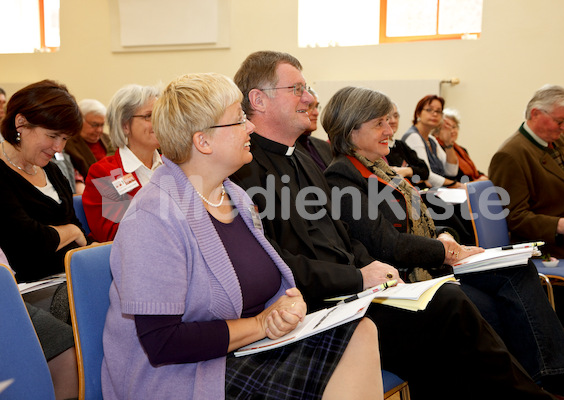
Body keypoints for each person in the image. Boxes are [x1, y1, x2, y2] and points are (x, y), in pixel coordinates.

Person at [231, 50, 556, 400]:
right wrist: (359, 277)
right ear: (259, 100)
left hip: (352, 292)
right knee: (447, 307)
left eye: (306, 88)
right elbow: (276, 262)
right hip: (315, 309)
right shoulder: (243, 172)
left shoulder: (307, 162)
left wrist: (370, 266)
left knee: (445, 319)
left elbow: (340, 235)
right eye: (297, 89)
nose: (310, 98)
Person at [101, 72, 383, 400]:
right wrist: (262, 325)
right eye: (238, 121)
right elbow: (163, 343)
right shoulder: (153, 216)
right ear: (202, 141)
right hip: (187, 375)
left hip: (246, 351)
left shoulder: (234, 196)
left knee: (362, 331)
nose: (250, 127)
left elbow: (266, 284)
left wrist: (286, 304)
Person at [322, 85, 564, 399]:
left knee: (518, 271)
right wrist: (446, 250)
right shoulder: (343, 177)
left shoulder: (379, 168)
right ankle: (531, 389)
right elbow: (388, 245)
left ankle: (553, 376)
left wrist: (446, 237)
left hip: (427, 265)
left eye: (388, 121)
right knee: (485, 306)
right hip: (404, 279)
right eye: (379, 123)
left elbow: (425, 222)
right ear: (352, 130)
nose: (389, 129)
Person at [489, 84, 564, 261]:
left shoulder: (559, 141)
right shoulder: (510, 155)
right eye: (560, 121)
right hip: (555, 243)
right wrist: (559, 225)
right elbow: (515, 217)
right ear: (536, 114)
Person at [0, 79, 89, 283]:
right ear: (20, 123)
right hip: (30, 289)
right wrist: (72, 231)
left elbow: (77, 231)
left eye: (65, 138)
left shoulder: (52, 170)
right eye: (52, 136)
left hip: (69, 277)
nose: (59, 147)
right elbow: (28, 243)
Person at [82, 84, 162, 242]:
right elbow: (115, 234)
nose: (159, 123)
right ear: (125, 125)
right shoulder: (104, 172)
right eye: (148, 116)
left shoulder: (174, 165)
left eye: (161, 116)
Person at [0, 246, 78, 400]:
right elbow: (37, 241)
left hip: (8, 299)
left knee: (68, 346)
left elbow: (7, 278)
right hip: (20, 290)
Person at [401, 94, 462, 188]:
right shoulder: (413, 137)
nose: (434, 114)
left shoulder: (432, 140)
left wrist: (449, 144)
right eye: (429, 110)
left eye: (438, 111)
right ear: (418, 113)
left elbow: (451, 171)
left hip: (438, 191)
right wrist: (456, 185)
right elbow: (426, 174)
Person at [64, 98, 115, 180]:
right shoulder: (67, 144)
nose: (99, 130)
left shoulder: (108, 139)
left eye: (102, 125)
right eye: (94, 125)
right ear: (80, 120)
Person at [434, 109, 488, 182]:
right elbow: (453, 177)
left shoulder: (461, 149)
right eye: (447, 128)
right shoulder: (435, 148)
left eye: (454, 127)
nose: (452, 131)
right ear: (436, 131)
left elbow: (473, 172)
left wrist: (482, 177)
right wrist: (477, 182)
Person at [385, 102, 430, 183]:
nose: (393, 121)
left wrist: (407, 171)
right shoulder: (380, 149)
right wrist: (415, 175)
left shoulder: (400, 145)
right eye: (388, 117)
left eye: (396, 116)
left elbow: (425, 171)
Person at [295, 88, 332, 171]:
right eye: (309, 106)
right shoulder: (288, 148)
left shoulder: (325, 146)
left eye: (316, 106)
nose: (316, 113)